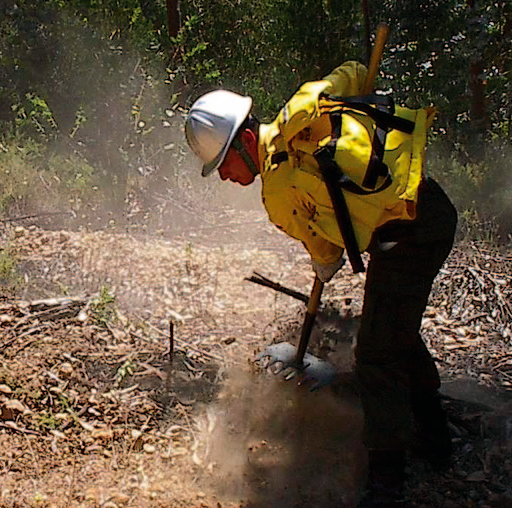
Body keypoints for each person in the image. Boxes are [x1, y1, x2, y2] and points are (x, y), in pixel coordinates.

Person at [185, 61, 457, 507]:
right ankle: (435, 436)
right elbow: (351, 70)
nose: (223, 176)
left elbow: (326, 253)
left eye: (223, 163)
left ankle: (388, 483)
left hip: (409, 236)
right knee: (392, 330)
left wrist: (323, 264)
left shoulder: (276, 195)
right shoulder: (303, 104)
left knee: (377, 353)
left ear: (247, 141)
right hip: (428, 207)